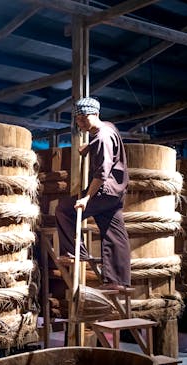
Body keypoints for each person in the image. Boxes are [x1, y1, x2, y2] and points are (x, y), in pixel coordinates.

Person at [55, 96, 131, 290]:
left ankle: (75, 252)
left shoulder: (102, 136)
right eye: (77, 119)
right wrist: (89, 146)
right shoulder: (106, 128)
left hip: (104, 191)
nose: (80, 123)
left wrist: (86, 198)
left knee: (64, 209)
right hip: (117, 191)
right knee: (115, 234)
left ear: (96, 114)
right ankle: (117, 281)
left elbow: (102, 173)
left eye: (83, 118)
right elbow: (105, 142)